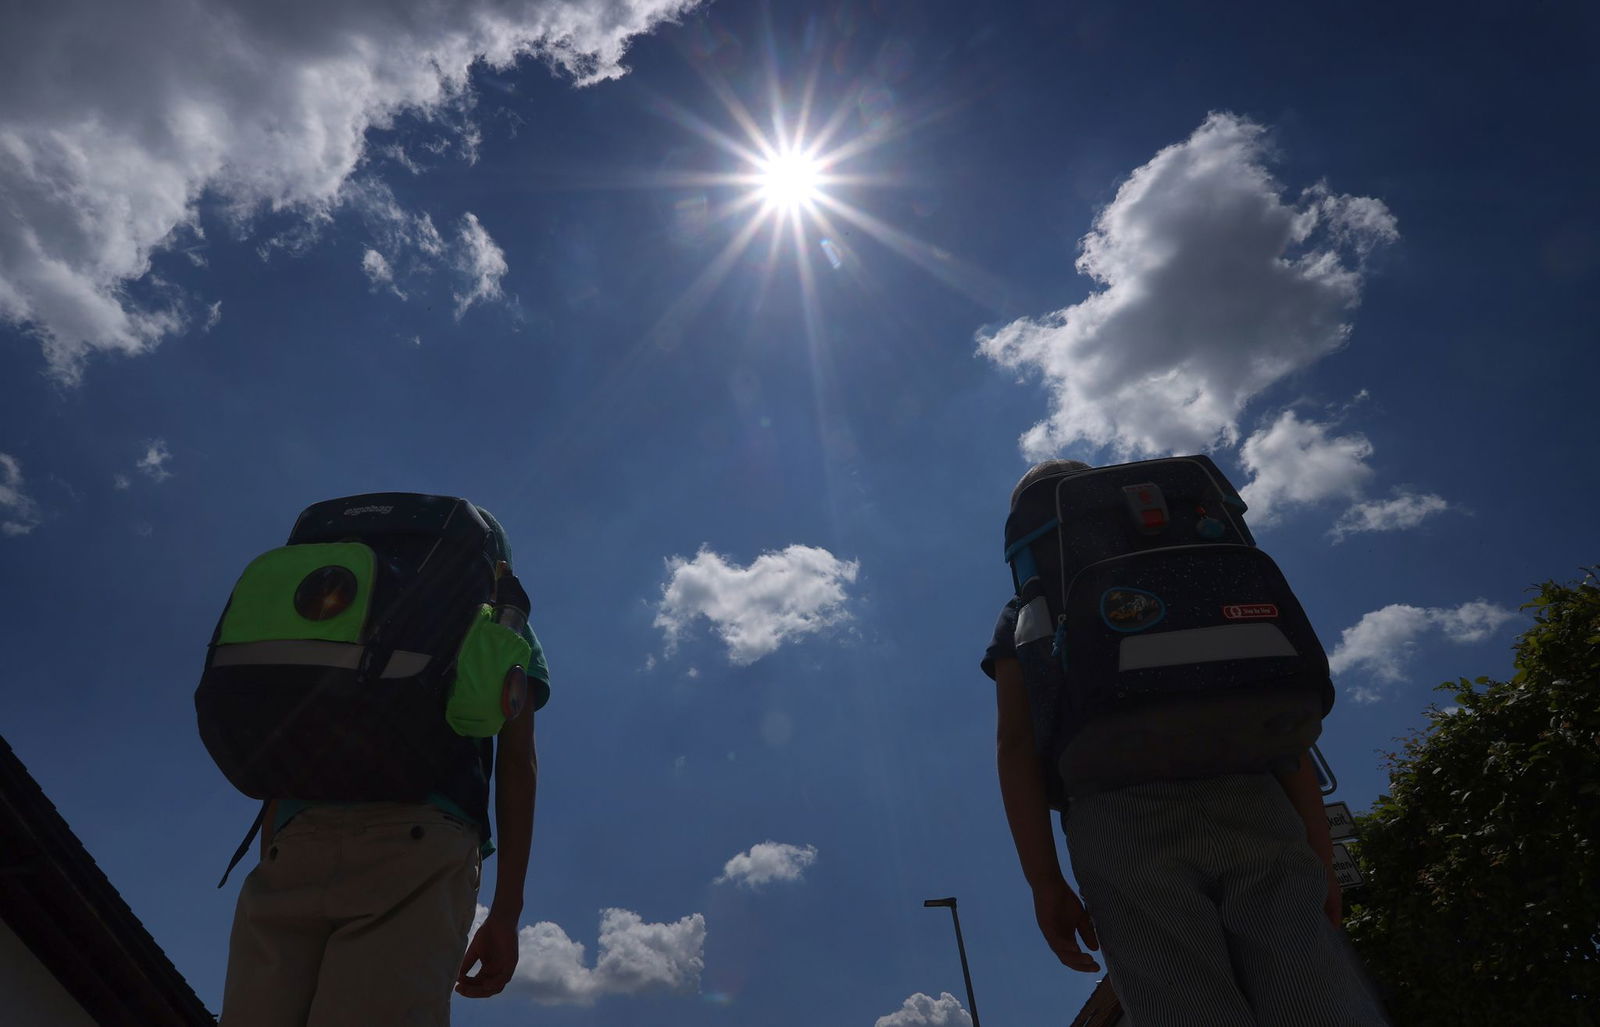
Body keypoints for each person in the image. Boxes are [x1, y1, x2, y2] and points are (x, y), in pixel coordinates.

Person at [984, 460, 1388, 1026]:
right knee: (1317, 1002)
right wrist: (1319, 853)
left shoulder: (1027, 611)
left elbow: (1016, 745)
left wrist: (1045, 883)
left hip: (1114, 814)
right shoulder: (1212, 573)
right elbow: (1279, 721)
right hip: (1251, 788)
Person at [219, 507, 550, 1026]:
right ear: (493, 566)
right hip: (417, 842)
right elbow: (517, 761)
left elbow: (284, 741)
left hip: (293, 846)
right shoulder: (491, 619)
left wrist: (278, 851)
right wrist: (506, 913)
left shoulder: (323, 610)